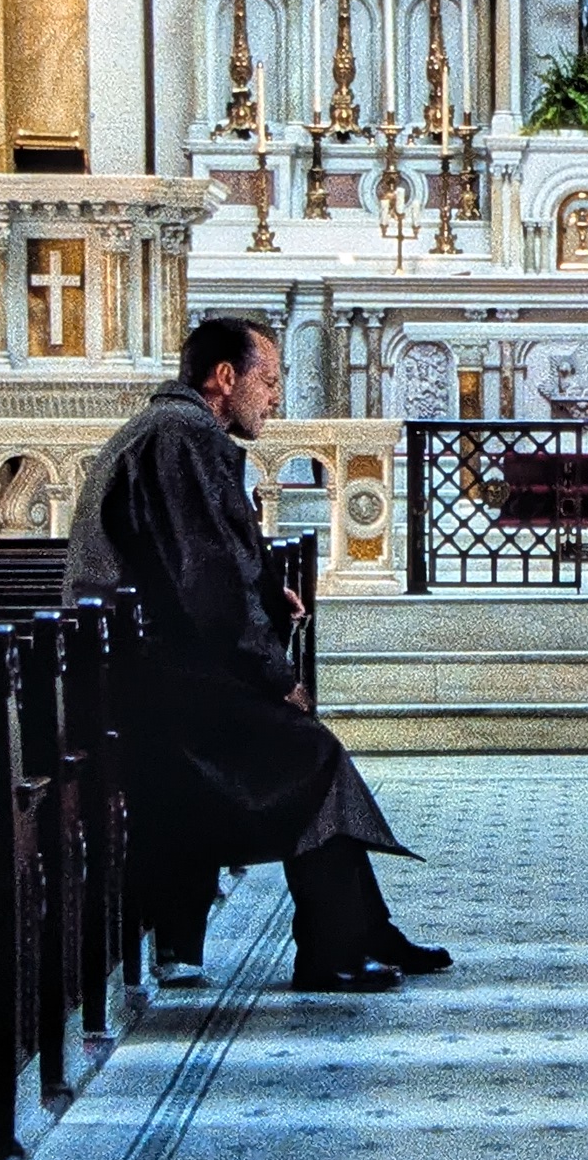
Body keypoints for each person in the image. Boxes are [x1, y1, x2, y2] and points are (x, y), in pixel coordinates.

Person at [66, 317, 449, 994]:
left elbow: (193, 550)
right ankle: (334, 948)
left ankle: (361, 931)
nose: (275, 398)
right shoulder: (182, 438)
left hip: (158, 669)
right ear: (224, 378)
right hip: (157, 686)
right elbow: (202, 577)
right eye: (268, 381)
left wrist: (271, 590)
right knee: (314, 757)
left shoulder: (175, 433)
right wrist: (275, 676)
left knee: (311, 757)